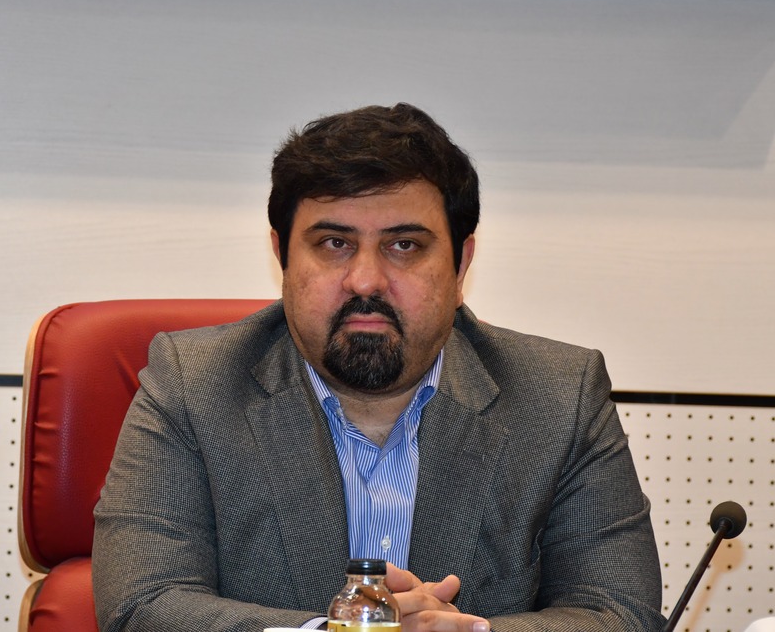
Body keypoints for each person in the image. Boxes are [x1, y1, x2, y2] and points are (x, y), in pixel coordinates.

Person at [93, 103, 665, 632]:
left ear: (461, 264)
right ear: (282, 256)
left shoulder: (559, 397)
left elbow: (620, 613)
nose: (365, 280)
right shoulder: (192, 386)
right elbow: (141, 605)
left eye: (404, 246)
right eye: (334, 243)